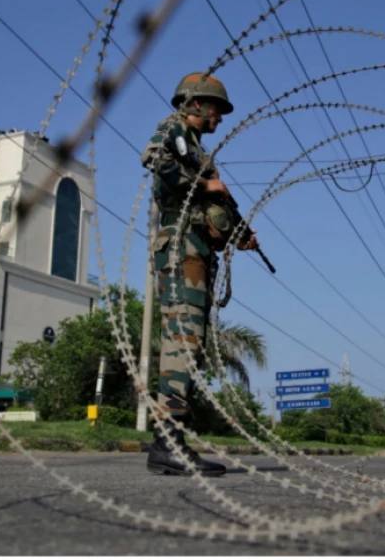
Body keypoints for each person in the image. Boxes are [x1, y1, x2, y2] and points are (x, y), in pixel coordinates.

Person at [140, 72, 259, 476]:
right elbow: (154, 158)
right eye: (215, 109)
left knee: (189, 342)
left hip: (196, 248)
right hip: (180, 245)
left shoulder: (196, 149)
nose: (219, 117)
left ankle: (171, 440)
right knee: (180, 341)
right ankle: (167, 442)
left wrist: (238, 232)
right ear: (195, 104)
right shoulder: (172, 128)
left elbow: (215, 201)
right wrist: (204, 185)